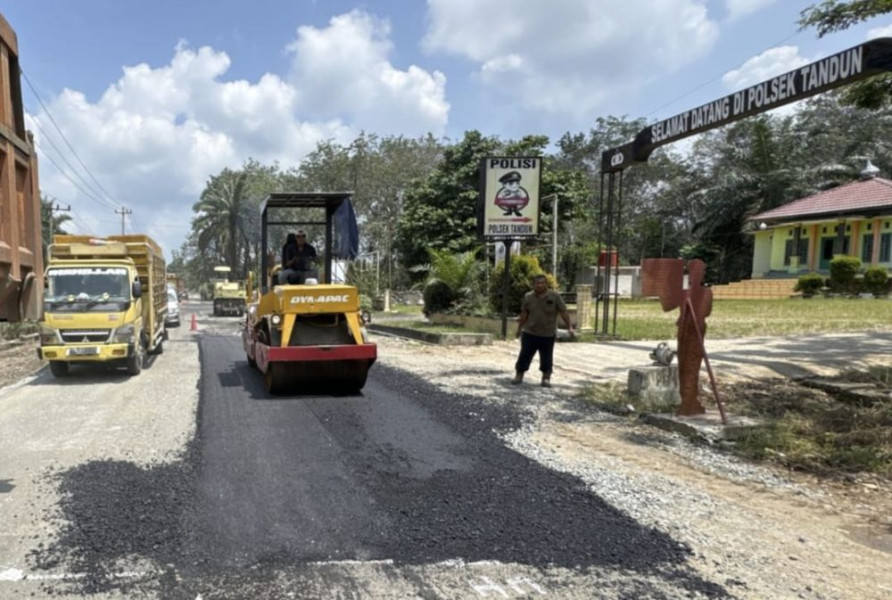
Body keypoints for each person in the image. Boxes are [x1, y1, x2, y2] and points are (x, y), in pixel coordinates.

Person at [512, 274, 575, 387]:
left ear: (546, 284)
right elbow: (524, 314)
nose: (540, 285)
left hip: (548, 334)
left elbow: (563, 312)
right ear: (534, 284)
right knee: (524, 355)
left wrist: (569, 326)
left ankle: (546, 378)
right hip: (530, 332)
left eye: (542, 283)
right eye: (537, 283)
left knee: (547, 358)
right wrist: (519, 329)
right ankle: (519, 375)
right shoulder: (528, 297)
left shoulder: (554, 296)